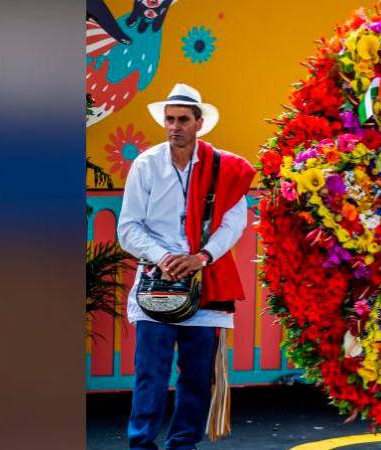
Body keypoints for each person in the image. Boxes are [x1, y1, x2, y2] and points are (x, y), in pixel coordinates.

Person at [117, 83, 254, 450]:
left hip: (204, 279)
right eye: (169, 119)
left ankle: (183, 444)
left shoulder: (224, 168)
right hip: (156, 279)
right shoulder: (146, 165)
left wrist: (200, 257)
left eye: (182, 119)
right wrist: (164, 258)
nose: (174, 126)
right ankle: (141, 444)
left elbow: (234, 223)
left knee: (195, 376)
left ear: (199, 123)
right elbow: (128, 228)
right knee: (151, 374)